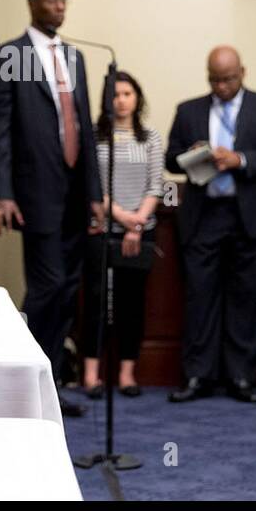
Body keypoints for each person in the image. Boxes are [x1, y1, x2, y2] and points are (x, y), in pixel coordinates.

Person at [0, 0, 101, 418]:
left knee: (67, 288)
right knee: (47, 285)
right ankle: (28, 381)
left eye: (63, 0)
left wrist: (95, 194)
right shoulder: (10, 55)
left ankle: (52, 383)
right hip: (35, 193)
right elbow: (0, 130)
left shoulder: (74, 57)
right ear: (32, 2)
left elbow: (86, 127)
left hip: (76, 193)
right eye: (52, 0)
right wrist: (3, 193)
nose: (60, 7)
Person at [164, 46, 256, 404]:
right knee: (199, 297)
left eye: (228, 79)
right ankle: (197, 376)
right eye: (215, 79)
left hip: (251, 215)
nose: (221, 86)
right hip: (204, 216)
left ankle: (242, 377)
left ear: (242, 72)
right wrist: (193, 154)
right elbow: (171, 159)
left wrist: (240, 159)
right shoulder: (188, 110)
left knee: (248, 299)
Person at [81, 71, 163, 398]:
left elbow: (155, 185)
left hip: (141, 231)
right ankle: (91, 375)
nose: (122, 100)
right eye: (115, 94)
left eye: (128, 93)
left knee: (132, 303)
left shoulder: (151, 137)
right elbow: (93, 185)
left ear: (137, 97)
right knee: (96, 301)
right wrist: (121, 217)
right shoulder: (94, 136)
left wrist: (137, 223)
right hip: (101, 228)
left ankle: (127, 375)